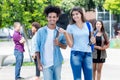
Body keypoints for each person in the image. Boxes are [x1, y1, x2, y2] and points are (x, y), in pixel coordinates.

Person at [59, 6, 95, 80]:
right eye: (73, 14)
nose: (75, 16)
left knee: (89, 78)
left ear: (81, 14)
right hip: (76, 55)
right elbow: (71, 45)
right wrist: (65, 33)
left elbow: (92, 39)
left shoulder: (88, 25)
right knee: (77, 78)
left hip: (88, 54)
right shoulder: (70, 27)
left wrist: (93, 40)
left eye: (76, 14)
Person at [35, 5, 67, 80]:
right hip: (45, 63)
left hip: (57, 62)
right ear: (47, 18)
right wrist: (39, 63)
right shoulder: (41, 31)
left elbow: (65, 46)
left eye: (54, 17)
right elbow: (37, 48)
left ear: (57, 18)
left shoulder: (60, 31)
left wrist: (59, 44)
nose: (52, 19)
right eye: (50, 17)